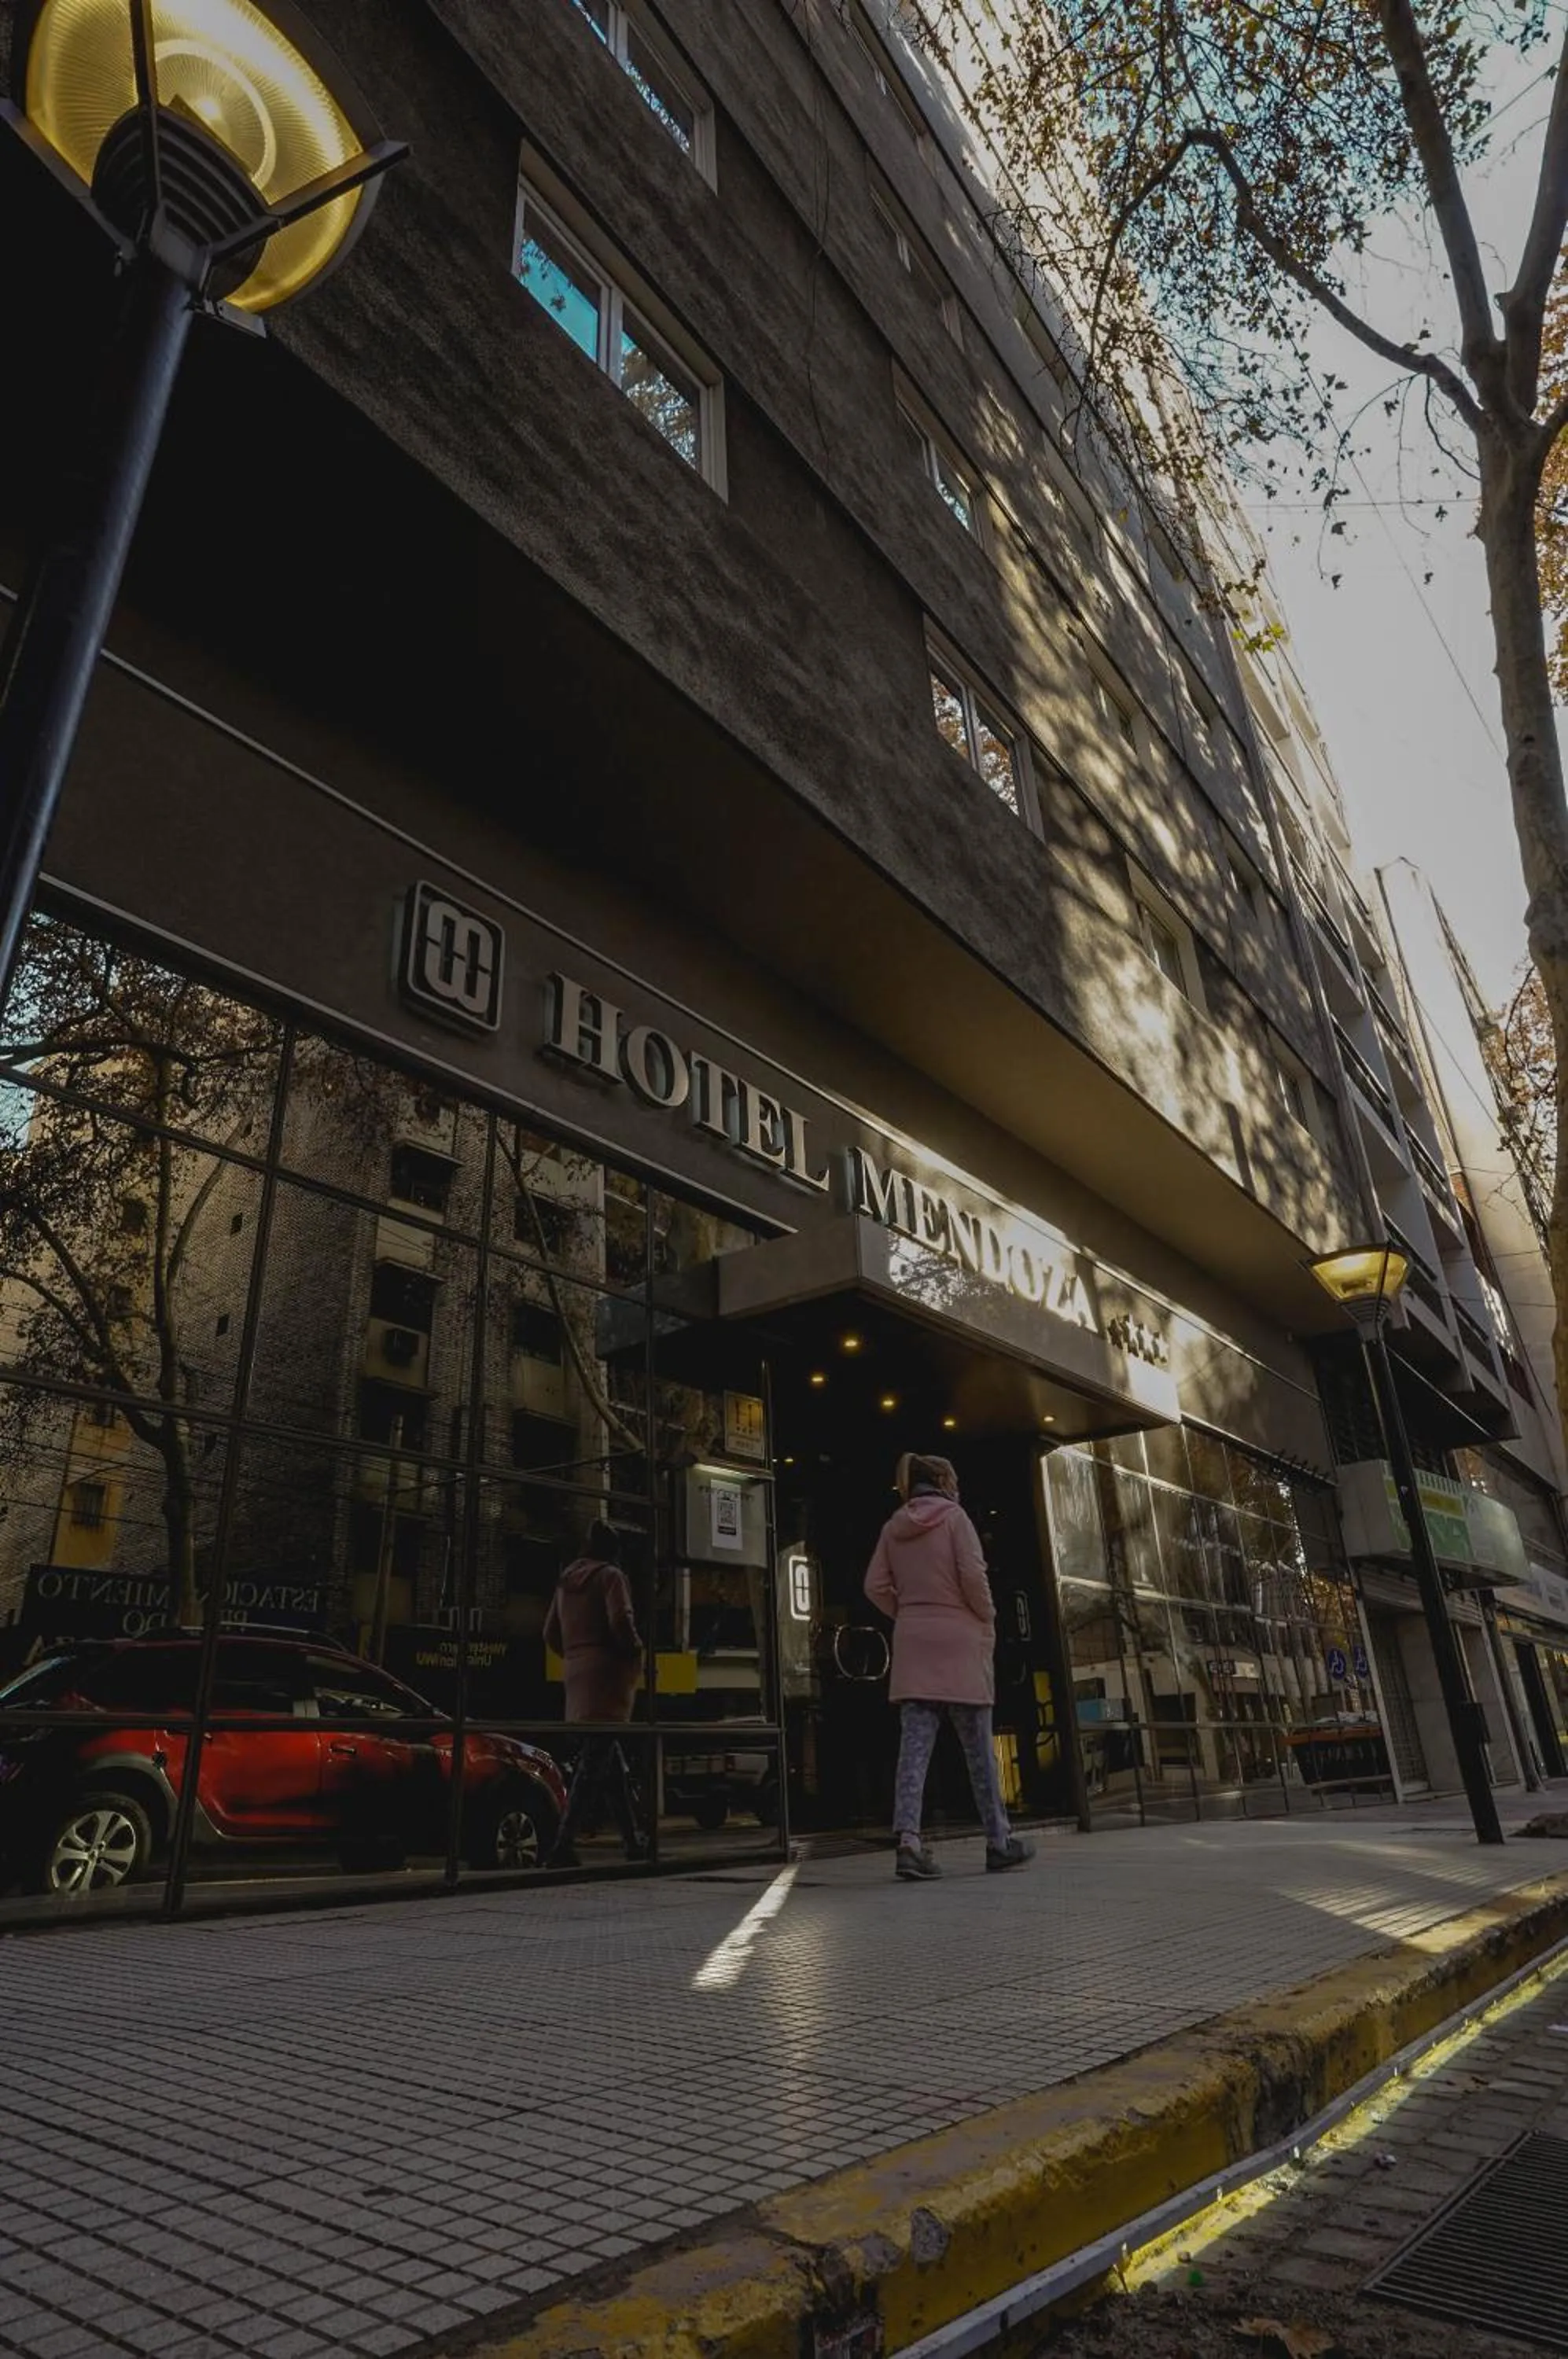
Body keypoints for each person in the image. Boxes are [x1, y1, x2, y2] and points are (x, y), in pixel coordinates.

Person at [864, 1452, 1033, 1880]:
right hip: (960, 1643)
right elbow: (973, 1577)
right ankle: (998, 1842)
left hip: (915, 1644)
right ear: (941, 1480)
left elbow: (874, 1586)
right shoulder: (956, 1520)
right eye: (953, 1478)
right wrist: (986, 1615)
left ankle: (908, 1843)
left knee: (914, 1753)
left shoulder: (892, 1527)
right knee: (979, 1752)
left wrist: (907, 1613)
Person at [543, 1518, 647, 1868]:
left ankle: (633, 1841)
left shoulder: (564, 1582)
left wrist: (575, 1655)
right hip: (608, 1677)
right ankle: (562, 1843)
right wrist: (634, 1650)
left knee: (607, 1760)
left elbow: (550, 1633)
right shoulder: (611, 1577)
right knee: (593, 1765)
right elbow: (621, 1622)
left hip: (576, 1675)